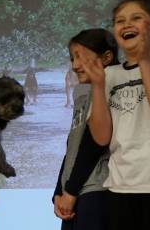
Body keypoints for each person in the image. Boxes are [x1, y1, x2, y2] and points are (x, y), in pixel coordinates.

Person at [82, 0, 150, 230]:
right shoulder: (110, 74)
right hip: (121, 186)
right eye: (119, 21)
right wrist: (97, 86)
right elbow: (101, 137)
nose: (126, 24)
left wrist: (143, 59)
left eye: (136, 18)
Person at [53, 28, 119, 230]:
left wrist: (70, 191)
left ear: (107, 57)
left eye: (80, 57)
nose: (74, 65)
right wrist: (59, 190)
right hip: (73, 192)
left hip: (97, 190)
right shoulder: (82, 91)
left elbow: (95, 144)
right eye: (72, 58)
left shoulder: (115, 85)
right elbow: (74, 143)